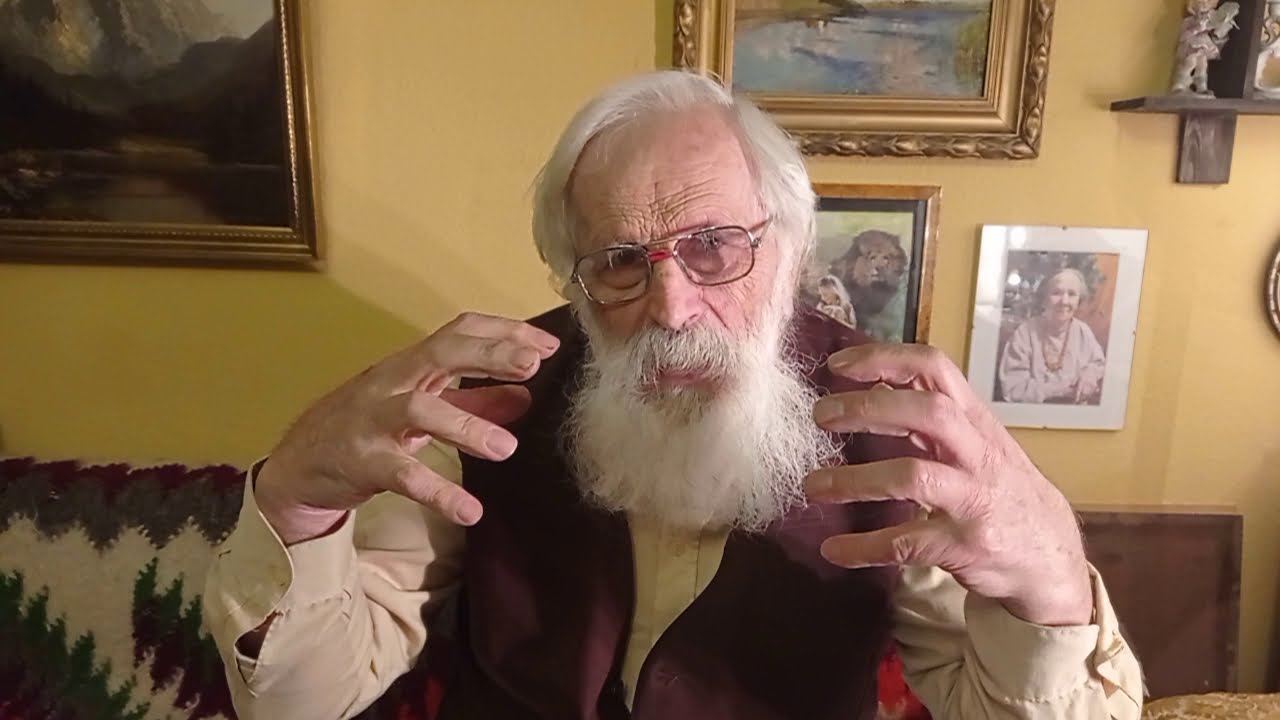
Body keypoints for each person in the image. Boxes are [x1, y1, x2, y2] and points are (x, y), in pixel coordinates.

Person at [203, 70, 1143, 720]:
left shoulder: (894, 419)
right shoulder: (491, 398)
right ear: (576, 282)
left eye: (714, 246)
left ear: (787, 246)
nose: (672, 306)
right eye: (621, 261)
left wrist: (1054, 588)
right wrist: (297, 499)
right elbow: (300, 700)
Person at [997, 268, 1107, 405]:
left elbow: (1098, 364)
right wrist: (1059, 390)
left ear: (1079, 301)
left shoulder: (1083, 331)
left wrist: (1090, 373)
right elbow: (1013, 388)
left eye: (1072, 294)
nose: (1064, 301)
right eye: (1056, 293)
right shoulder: (1024, 333)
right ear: (1044, 299)